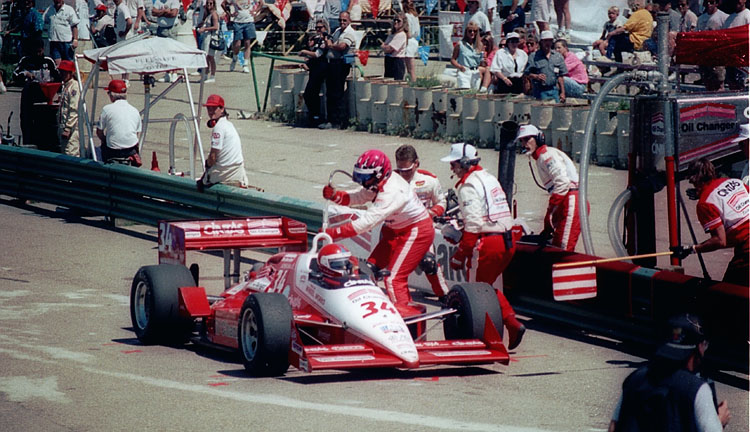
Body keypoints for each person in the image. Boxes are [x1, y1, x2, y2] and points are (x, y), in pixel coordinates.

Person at [322, 149, 434, 313]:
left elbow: (366, 223)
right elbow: (359, 197)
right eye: (361, 176)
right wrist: (335, 196)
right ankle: (402, 308)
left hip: (416, 231)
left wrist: (333, 232)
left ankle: (405, 321)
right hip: (395, 230)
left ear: (379, 174)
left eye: (366, 177)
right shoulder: (379, 182)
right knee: (371, 269)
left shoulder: (392, 192)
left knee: (393, 279)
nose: (363, 182)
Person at [440, 143, 525, 350]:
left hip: (490, 242)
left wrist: (461, 254)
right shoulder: (488, 178)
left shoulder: (468, 185)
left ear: (465, 163)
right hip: (508, 239)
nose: (452, 168)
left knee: (476, 295)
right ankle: (510, 324)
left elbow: (475, 224)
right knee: (486, 287)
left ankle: (487, 338)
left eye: (454, 163)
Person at [608, 314, 731, 432]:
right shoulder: (698, 389)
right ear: (698, 348)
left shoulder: (634, 378)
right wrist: (719, 421)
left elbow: (614, 427)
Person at [671, 158, 749, 286]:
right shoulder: (735, 182)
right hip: (744, 244)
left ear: (693, 179)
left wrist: (692, 249)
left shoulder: (705, 203)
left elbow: (720, 240)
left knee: (728, 292)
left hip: (747, 250)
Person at [517, 124, 587, 251]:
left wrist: (550, 210)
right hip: (565, 200)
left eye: (528, 139)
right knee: (556, 243)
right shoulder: (541, 158)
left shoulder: (546, 155)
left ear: (538, 139)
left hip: (571, 199)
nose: (524, 144)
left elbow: (562, 182)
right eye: (521, 140)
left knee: (562, 247)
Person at [394, 144, 450, 299]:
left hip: (420, 229)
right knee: (386, 268)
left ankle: (445, 296)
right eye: (400, 170)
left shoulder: (429, 180)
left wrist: (430, 213)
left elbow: (441, 202)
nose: (403, 174)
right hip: (395, 230)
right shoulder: (391, 179)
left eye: (407, 170)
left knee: (428, 262)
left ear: (416, 164)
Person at [12, 38, 60, 148]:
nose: (38, 54)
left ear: (43, 49)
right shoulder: (25, 60)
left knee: (44, 123)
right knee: (26, 121)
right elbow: (15, 75)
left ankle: (45, 146)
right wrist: (25, 74)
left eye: (40, 51)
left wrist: (58, 94)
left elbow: (58, 78)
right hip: (29, 95)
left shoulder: (48, 61)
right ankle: (28, 145)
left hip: (44, 96)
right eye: (35, 51)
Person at [200, 94, 249, 187]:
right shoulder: (229, 125)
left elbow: (213, 157)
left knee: (202, 183)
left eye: (214, 108)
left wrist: (207, 165)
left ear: (222, 109)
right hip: (238, 170)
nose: (210, 111)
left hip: (223, 173)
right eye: (208, 108)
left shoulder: (218, 128)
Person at [320, 11, 356, 130]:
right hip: (332, 64)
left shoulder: (349, 32)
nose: (342, 22)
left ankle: (338, 121)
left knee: (337, 93)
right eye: (340, 20)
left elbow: (342, 46)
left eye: (344, 20)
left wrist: (330, 45)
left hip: (341, 64)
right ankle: (330, 119)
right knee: (330, 92)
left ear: (349, 20)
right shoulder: (337, 31)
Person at [97, 79, 142, 164]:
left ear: (112, 95)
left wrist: (106, 140)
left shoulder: (107, 109)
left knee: (102, 147)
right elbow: (136, 133)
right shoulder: (135, 110)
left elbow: (99, 132)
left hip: (113, 151)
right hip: (131, 149)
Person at [524, 30, 566, 103]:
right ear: (541, 42)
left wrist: (562, 92)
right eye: (545, 41)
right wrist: (536, 76)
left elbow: (560, 76)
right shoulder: (533, 56)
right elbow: (527, 74)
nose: (548, 43)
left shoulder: (558, 56)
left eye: (550, 41)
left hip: (554, 90)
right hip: (539, 90)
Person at [300, 18, 329, 127]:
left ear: (325, 28)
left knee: (311, 93)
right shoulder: (317, 39)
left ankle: (316, 116)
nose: (318, 30)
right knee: (310, 94)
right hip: (315, 68)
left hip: (321, 68)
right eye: (316, 28)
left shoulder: (325, 40)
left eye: (320, 28)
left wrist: (304, 52)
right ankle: (314, 115)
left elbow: (318, 54)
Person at [223, 0, 258, 74]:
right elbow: (223, 3)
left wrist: (255, 11)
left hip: (249, 21)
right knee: (237, 44)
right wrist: (229, 14)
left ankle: (245, 64)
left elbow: (261, 3)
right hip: (238, 22)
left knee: (247, 43)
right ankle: (235, 58)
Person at [450, 21, 487, 91]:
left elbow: (481, 61)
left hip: (476, 72)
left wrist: (484, 62)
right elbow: (453, 59)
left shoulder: (480, 45)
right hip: (464, 71)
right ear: (466, 32)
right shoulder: (460, 44)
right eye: (470, 31)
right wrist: (459, 67)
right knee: (465, 93)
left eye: (475, 31)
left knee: (474, 95)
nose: (472, 33)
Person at [722, 0, 750, 91]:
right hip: (731, 60)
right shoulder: (729, 18)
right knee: (732, 86)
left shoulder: (748, 15)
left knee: (744, 86)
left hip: (744, 61)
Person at [43, 0, 80, 66]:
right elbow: (43, 21)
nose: (57, 1)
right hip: (54, 42)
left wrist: (75, 39)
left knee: (68, 64)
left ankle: (72, 76)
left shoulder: (69, 10)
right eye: (56, 0)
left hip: (66, 42)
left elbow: (74, 26)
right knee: (57, 65)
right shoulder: (49, 10)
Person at [153, 0, 181, 82]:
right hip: (161, 28)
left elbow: (173, 14)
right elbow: (153, 12)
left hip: (171, 28)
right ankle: (167, 73)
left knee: (173, 51)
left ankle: (174, 72)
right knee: (163, 52)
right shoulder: (158, 1)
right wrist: (165, 11)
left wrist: (160, 13)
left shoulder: (174, 1)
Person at [57, 60, 80, 157]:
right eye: (61, 72)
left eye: (65, 72)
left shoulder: (74, 87)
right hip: (63, 125)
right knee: (64, 152)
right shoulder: (65, 85)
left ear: (71, 73)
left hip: (71, 129)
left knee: (71, 152)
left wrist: (68, 128)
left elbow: (74, 109)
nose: (63, 74)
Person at [197, 0, 220, 82]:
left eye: (211, 3)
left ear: (214, 4)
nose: (209, 5)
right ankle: (205, 75)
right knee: (206, 57)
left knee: (211, 57)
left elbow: (216, 26)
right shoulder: (208, 14)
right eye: (207, 3)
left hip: (212, 37)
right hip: (207, 37)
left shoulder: (214, 14)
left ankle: (212, 76)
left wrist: (205, 29)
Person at [382, 13, 408, 81]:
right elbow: (383, 46)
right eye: (395, 20)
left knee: (396, 84)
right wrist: (385, 47)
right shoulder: (392, 34)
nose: (396, 22)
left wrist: (386, 47)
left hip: (397, 61)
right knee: (387, 81)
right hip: (388, 59)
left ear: (403, 23)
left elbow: (390, 49)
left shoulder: (401, 35)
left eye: (398, 21)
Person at [403, 0, 420, 82]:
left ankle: (413, 84)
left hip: (409, 41)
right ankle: (411, 82)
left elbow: (408, 33)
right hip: (414, 41)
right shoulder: (415, 16)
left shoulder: (406, 16)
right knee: (411, 69)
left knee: (410, 69)